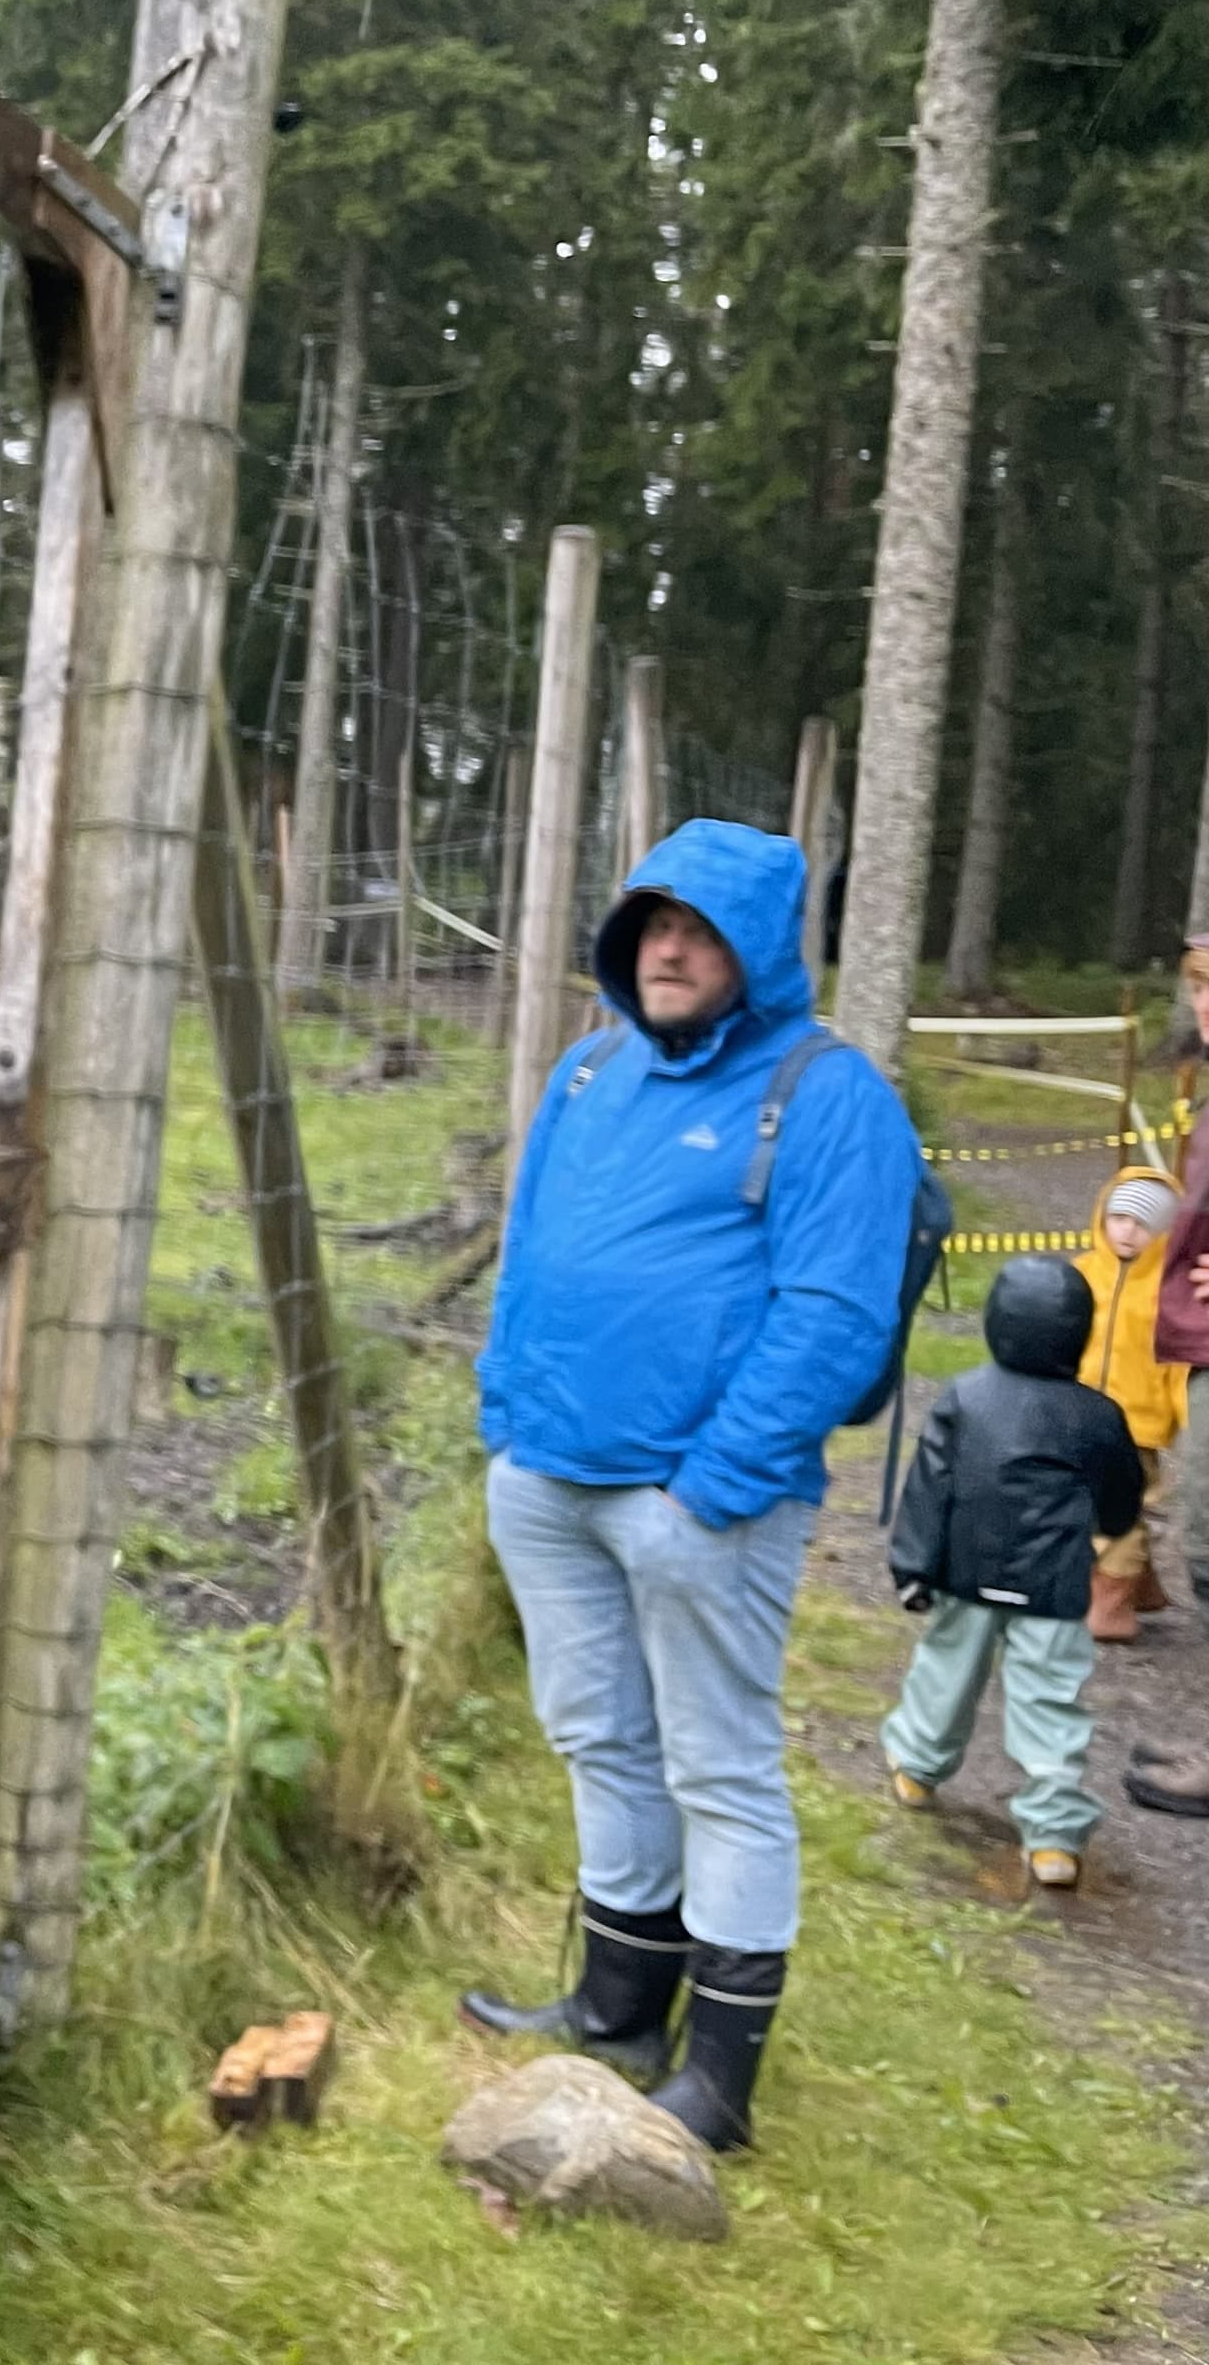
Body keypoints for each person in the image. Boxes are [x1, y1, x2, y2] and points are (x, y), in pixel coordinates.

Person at [460, 820, 925, 2154]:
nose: (671, 947)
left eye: (705, 929)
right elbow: (532, 1246)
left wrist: (713, 1485)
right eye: (656, 921)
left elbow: (831, 1317)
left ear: (761, 952)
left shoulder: (829, 1095)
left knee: (715, 1765)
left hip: (699, 1501)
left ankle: (716, 2085)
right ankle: (617, 2014)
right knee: (601, 1737)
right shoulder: (591, 1071)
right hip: (549, 1479)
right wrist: (509, 1425)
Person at [880, 1256, 1143, 1887]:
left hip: (967, 1571)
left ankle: (917, 1768)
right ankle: (1052, 1837)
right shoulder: (1097, 1414)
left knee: (946, 1672)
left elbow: (929, 1486)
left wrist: (913, 1567)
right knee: (1049, 1700)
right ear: (1079, 1331)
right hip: (1051, 1582)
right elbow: (1121, 1493)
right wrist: (1107, 1524)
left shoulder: (965, 1396)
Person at [1074, 1169, 1186, 1642]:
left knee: (1125, 1510)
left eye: (1142, 1222)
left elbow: (1182, 1367)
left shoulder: (1170, 1293)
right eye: (1118, 1217)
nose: (1127, 1230)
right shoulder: (1081, 1276)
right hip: (1078, 1416)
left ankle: (1111, 1608)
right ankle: (1135, 1587)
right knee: (1086, 1504)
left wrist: (1187, 1420)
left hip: (1136, 1427)